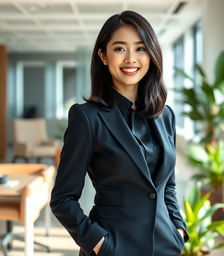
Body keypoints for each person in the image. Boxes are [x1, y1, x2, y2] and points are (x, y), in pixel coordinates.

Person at [50, 10, 188, 256]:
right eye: (120, 49)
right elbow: (63, 199)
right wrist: (100, 243)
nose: (131, 58)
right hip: (114, 247)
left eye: (141, 48)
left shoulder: (165, 115)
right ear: (103, 55)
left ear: (152, 54)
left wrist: (179, 229)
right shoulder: (87, 117)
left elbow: (167, 187)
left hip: (165, 245)